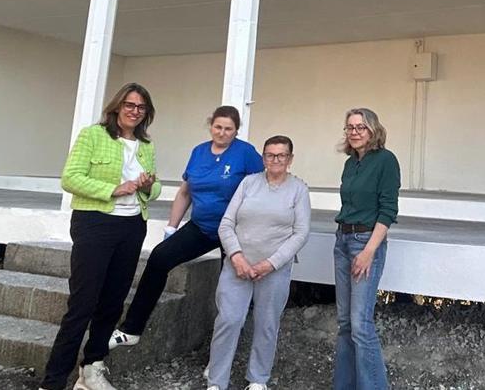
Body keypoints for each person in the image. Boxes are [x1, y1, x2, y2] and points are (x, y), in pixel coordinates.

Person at [108, 105, 263, 349]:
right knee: (159, 258)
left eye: (228, 129)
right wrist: (172, 228)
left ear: (236, 131)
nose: (222, 133)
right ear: (211, 125)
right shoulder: (199, 152)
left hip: (235, 231)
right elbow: (185, 192)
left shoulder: (246, 153)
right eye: (218, 127)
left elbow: (262, 188)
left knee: (231, 288)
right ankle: (132, 329)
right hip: (202, 226)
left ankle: (228, 348)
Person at [39, 83, 161, 390]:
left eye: (141, 107)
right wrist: (112, 189)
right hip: (95, 224)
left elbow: (155, 190)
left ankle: (91, 369)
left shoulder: (146, 145)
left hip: (132, 226)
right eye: (130, 105)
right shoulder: (93, 135)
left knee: (113, 301)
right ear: (117, 107)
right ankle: (53, 381)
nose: (135, 112)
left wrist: (147, 185)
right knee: (82, 303)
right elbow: (70, 178)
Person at [206, 135, 311, 390]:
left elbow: (301, 232)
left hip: (273, 269)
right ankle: (216, 381)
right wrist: (236, 256)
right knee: (228, 320)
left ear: (290, 159)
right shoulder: (248, 183)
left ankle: (257, 379)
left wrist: (271, 264)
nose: (275, 160)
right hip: (238, 265)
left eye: (281, 155)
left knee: (266, 324)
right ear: (263, 158)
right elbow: (227, 224)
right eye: (270, 155)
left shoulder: (298, 189)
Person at [333, 108, 400, 390]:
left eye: (361, 127)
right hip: (342, 240)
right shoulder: (351, 163)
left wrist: (369, 251)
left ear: (373, 130)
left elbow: (387, 211)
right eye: (350, 127)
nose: (355, 132)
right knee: (345, 323)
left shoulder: (385, 160)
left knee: (361, 325)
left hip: (365, 242)